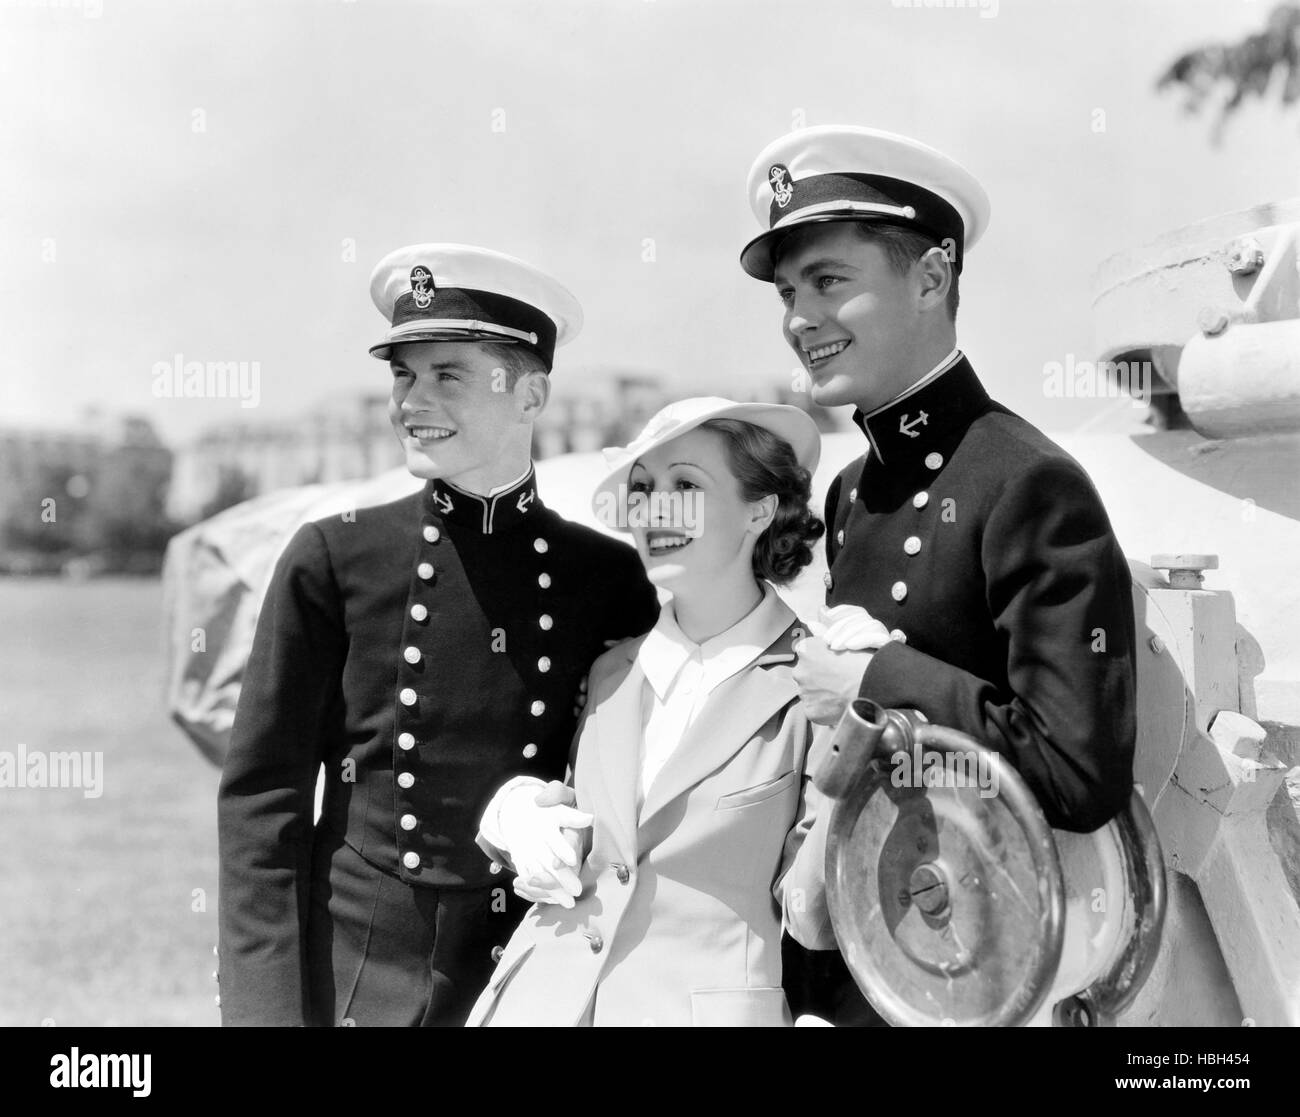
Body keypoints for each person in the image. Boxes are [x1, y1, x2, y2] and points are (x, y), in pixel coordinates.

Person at [738, 125, 1138, 1025]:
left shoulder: (1026, 481)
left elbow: (1077, 771)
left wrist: (879, 680)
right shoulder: (851, 491)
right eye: (790, 292)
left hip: (976, 963)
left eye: (830, 281)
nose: (800, 317)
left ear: (930, 275)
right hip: (867, 939)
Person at [216, 244, 659, 1026]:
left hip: (536, 966)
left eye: (447, 374)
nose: (412, 400)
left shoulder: (608, 576)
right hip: (357, 973)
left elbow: (637, 788)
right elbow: (264, 800)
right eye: (402, 375)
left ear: (530, 393)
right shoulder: (336, 558)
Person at [463, 397, 839, 1027]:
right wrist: (514, 817)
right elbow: (598, 848)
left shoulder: (817, 680)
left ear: (761, 508)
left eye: (686, 484)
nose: (655, 509)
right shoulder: (610, 672)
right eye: (641, 489)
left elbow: (815, 911)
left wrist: (866, 727)